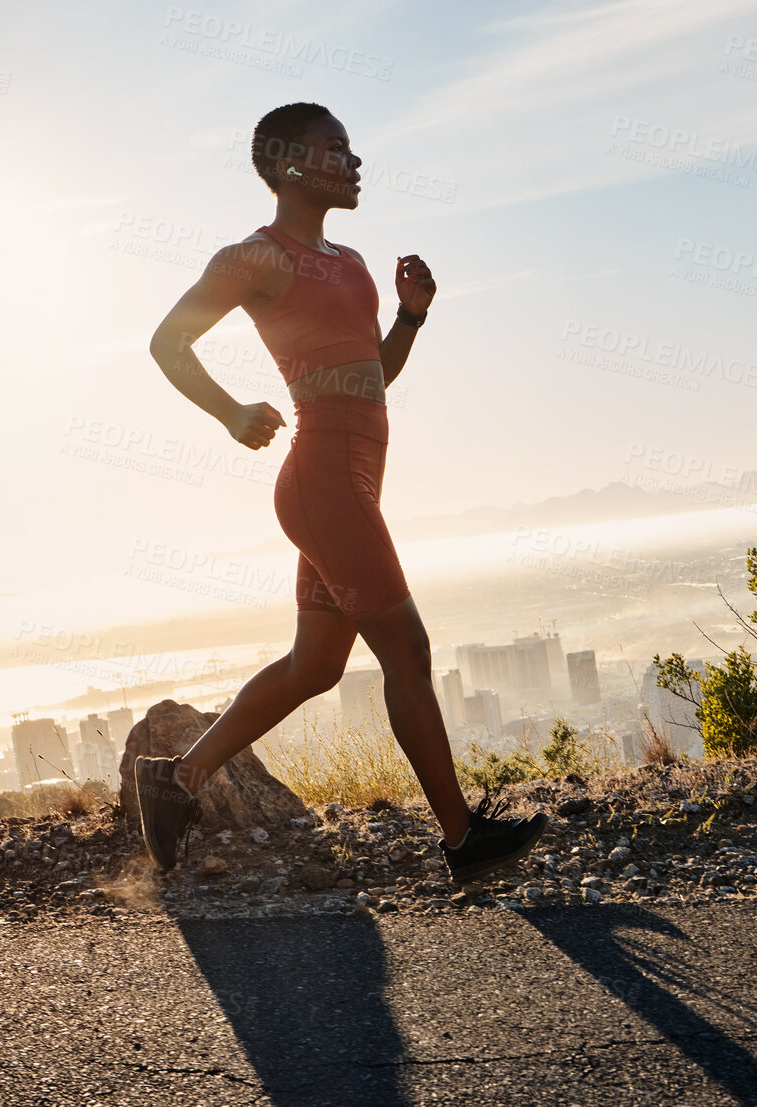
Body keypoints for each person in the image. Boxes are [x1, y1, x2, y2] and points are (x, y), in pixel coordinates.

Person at [138, 101, 546, 884]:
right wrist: (229, 412)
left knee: (316, 665)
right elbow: (167, 340)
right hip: (322, 478)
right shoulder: (252, 259)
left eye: (352, 149)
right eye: (335, 149)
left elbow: (373, 376)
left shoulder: (353, 262)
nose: (353, 162)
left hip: (355, 476)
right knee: (408, 648)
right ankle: (462, 838)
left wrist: (412, 318)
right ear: (289, 161)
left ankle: (177, 777)